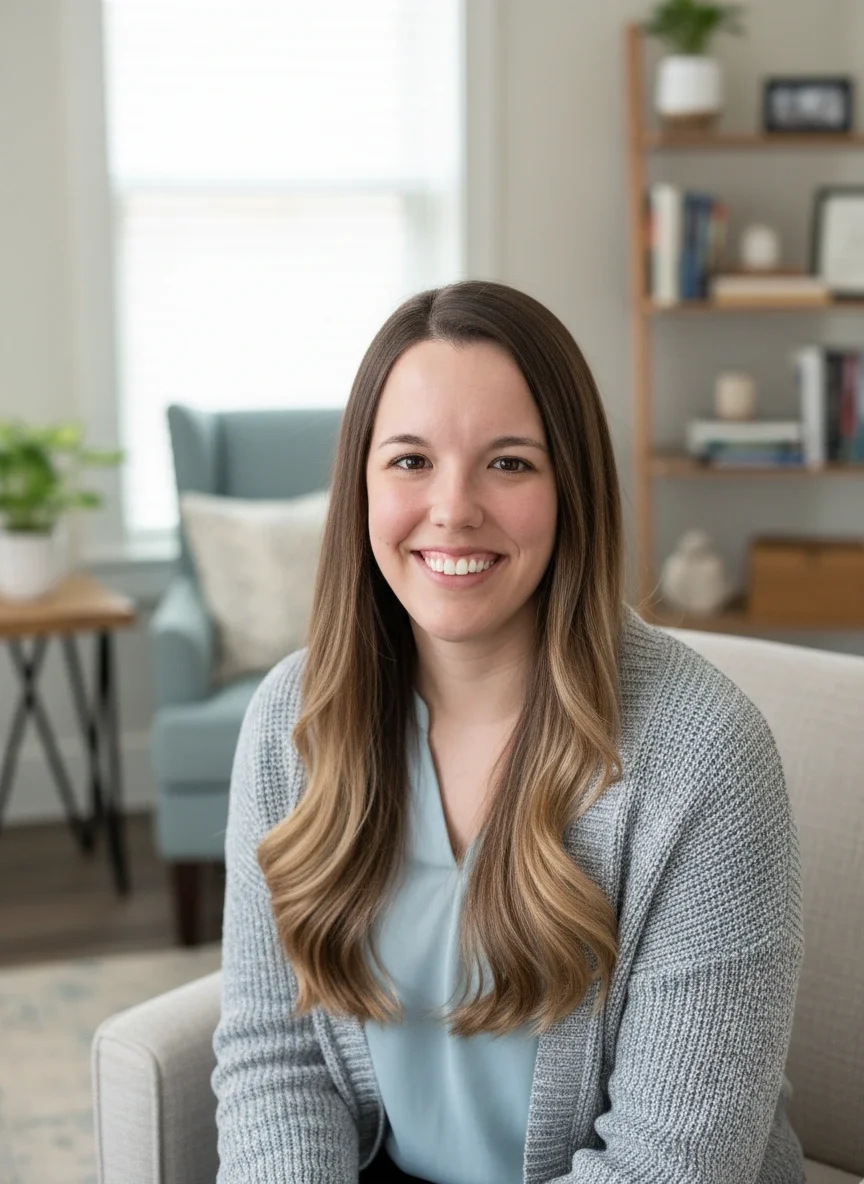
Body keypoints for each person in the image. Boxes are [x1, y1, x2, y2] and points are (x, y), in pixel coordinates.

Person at [211, 280, 805, 1184]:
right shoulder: (291, 725)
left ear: (573, 486)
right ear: (360, 484)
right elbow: (275, 1065)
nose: (453, 510)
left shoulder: (706, 757)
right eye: (410, 460)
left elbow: (673, 1165)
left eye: (510, 463)